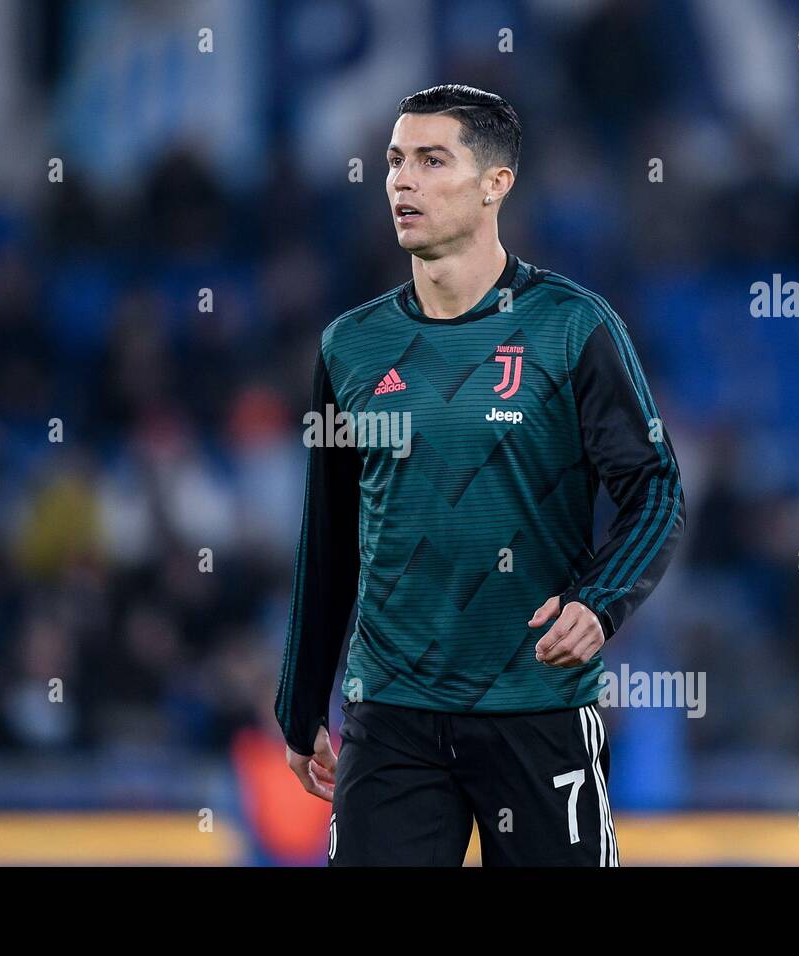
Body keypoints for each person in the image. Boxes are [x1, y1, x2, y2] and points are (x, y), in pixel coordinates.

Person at [275, 84, 684, 866]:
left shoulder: (573, 328)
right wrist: (300, 704)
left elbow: (656, 489)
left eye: (433, 161)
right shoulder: (349, 347)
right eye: (395, 161)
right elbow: (327, 538)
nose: (403, 181)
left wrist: (599, 604)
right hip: (389, 716)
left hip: (536, 705)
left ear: (497, 183)